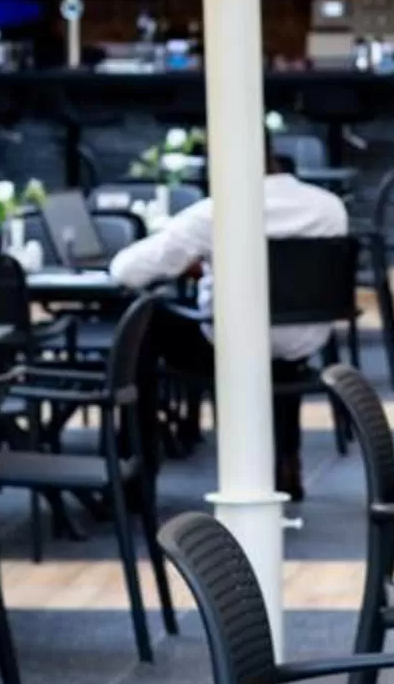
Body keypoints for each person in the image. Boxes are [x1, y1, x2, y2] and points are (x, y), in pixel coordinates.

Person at [110, 156, 349, 498]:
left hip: (228, 353)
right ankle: (286, 461)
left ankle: (137, 463)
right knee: (276, 323)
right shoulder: (329, 208)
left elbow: (126, 271)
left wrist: (202, 261)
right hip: (300, 347)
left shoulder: (217, 211)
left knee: (147, 322)